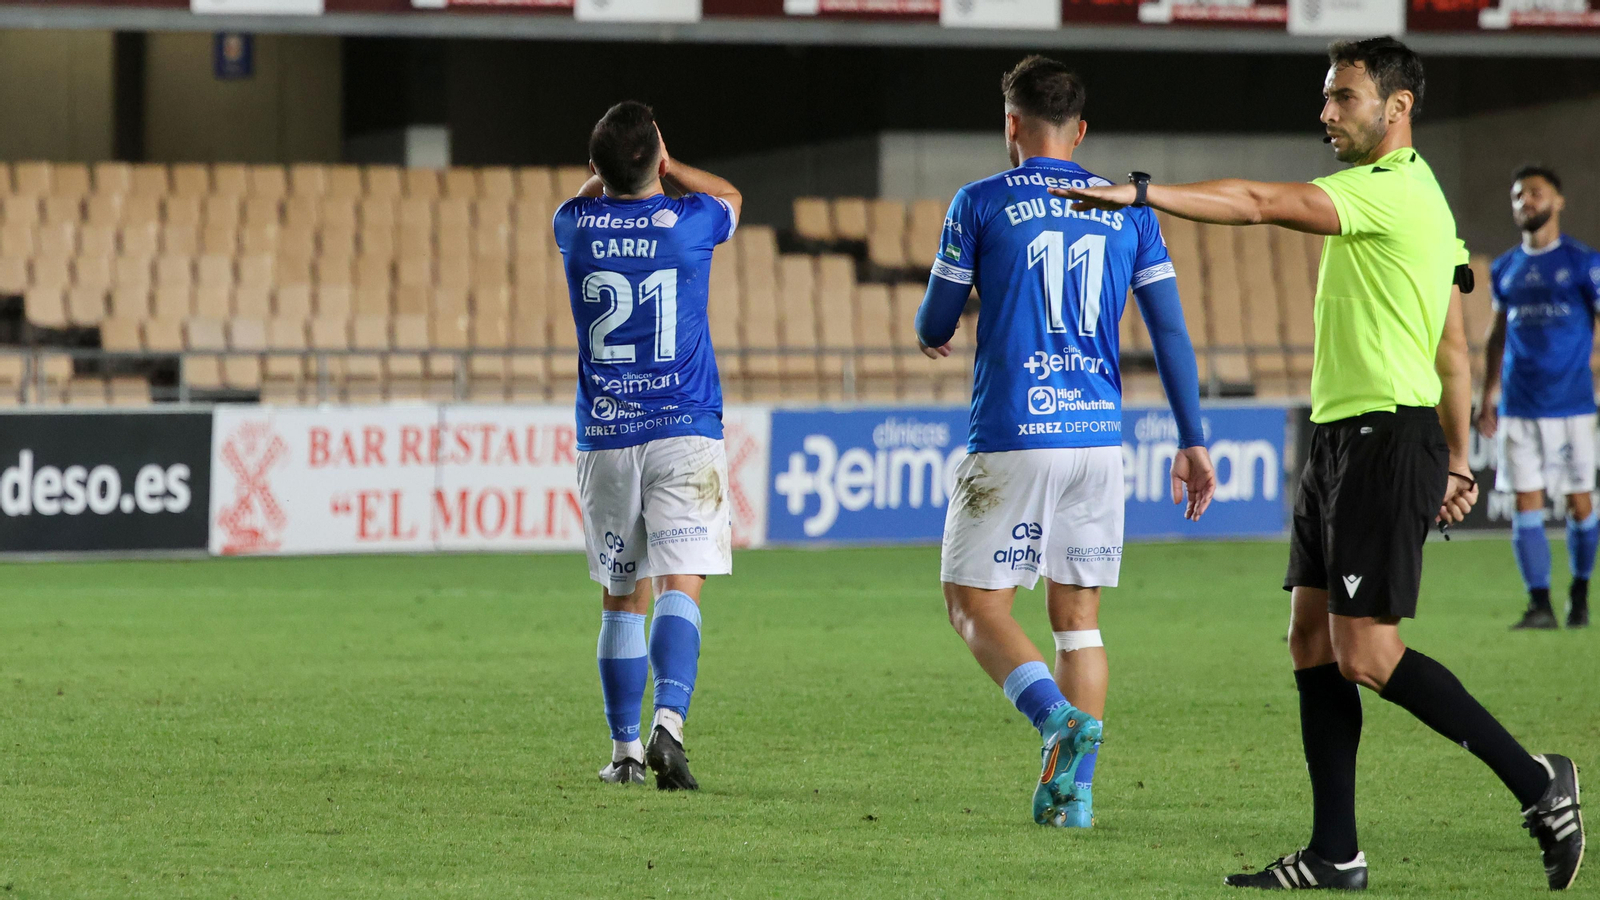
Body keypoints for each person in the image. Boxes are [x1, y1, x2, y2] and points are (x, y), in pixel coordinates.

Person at [1055, 37, 1582, 890]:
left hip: (1383, 437)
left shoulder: (1391, 189)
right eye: (1326, 96)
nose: (1326, 112)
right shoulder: (1424, 200)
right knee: (1310, 641)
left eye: (1343, 97)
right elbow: (1452, 345)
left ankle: (1539, 781)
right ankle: (1336, 852)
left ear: (1397, 108)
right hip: (1343, 436)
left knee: (1367, 654)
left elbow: (1261, 201)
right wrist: (1458, 458)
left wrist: (1143, 194)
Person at [915, 55, 1217, 830]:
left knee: (972, 604)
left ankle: (1056, 719)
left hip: (1015, 433)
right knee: (1078, 621)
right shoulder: (1128, 208)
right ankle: (1071, 799)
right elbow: (1170, 332)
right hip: (1097, 439)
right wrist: (1192, 438)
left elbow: (934, 322)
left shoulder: (980, 200)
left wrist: (941, 326)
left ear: (1011, 124)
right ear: (1080, 131)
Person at [553, 101, 742, 791]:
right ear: (658, 157)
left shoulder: (572, 225)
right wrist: (670, 165)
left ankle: (625, 751)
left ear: (595, 167)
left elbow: (590, 194)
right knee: (679, 584)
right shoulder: (691, 222)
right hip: (684, 429)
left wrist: (613, 171)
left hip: (607, 437)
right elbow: (731, 197)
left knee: (620, 595)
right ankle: (670, 721)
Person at [1476, 165, 1600, 630]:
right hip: (1518, 405)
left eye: (1535, 192)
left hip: (1571, 405)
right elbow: (1496, 336)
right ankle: (1539, 604)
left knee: (1579, 503)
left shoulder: (1584, 263)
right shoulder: (1505, 267)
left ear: (1558, 201)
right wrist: (1487, 396)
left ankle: (1580, 593)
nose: (1525, 201)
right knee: (1524, 502)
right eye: (1517, 195)